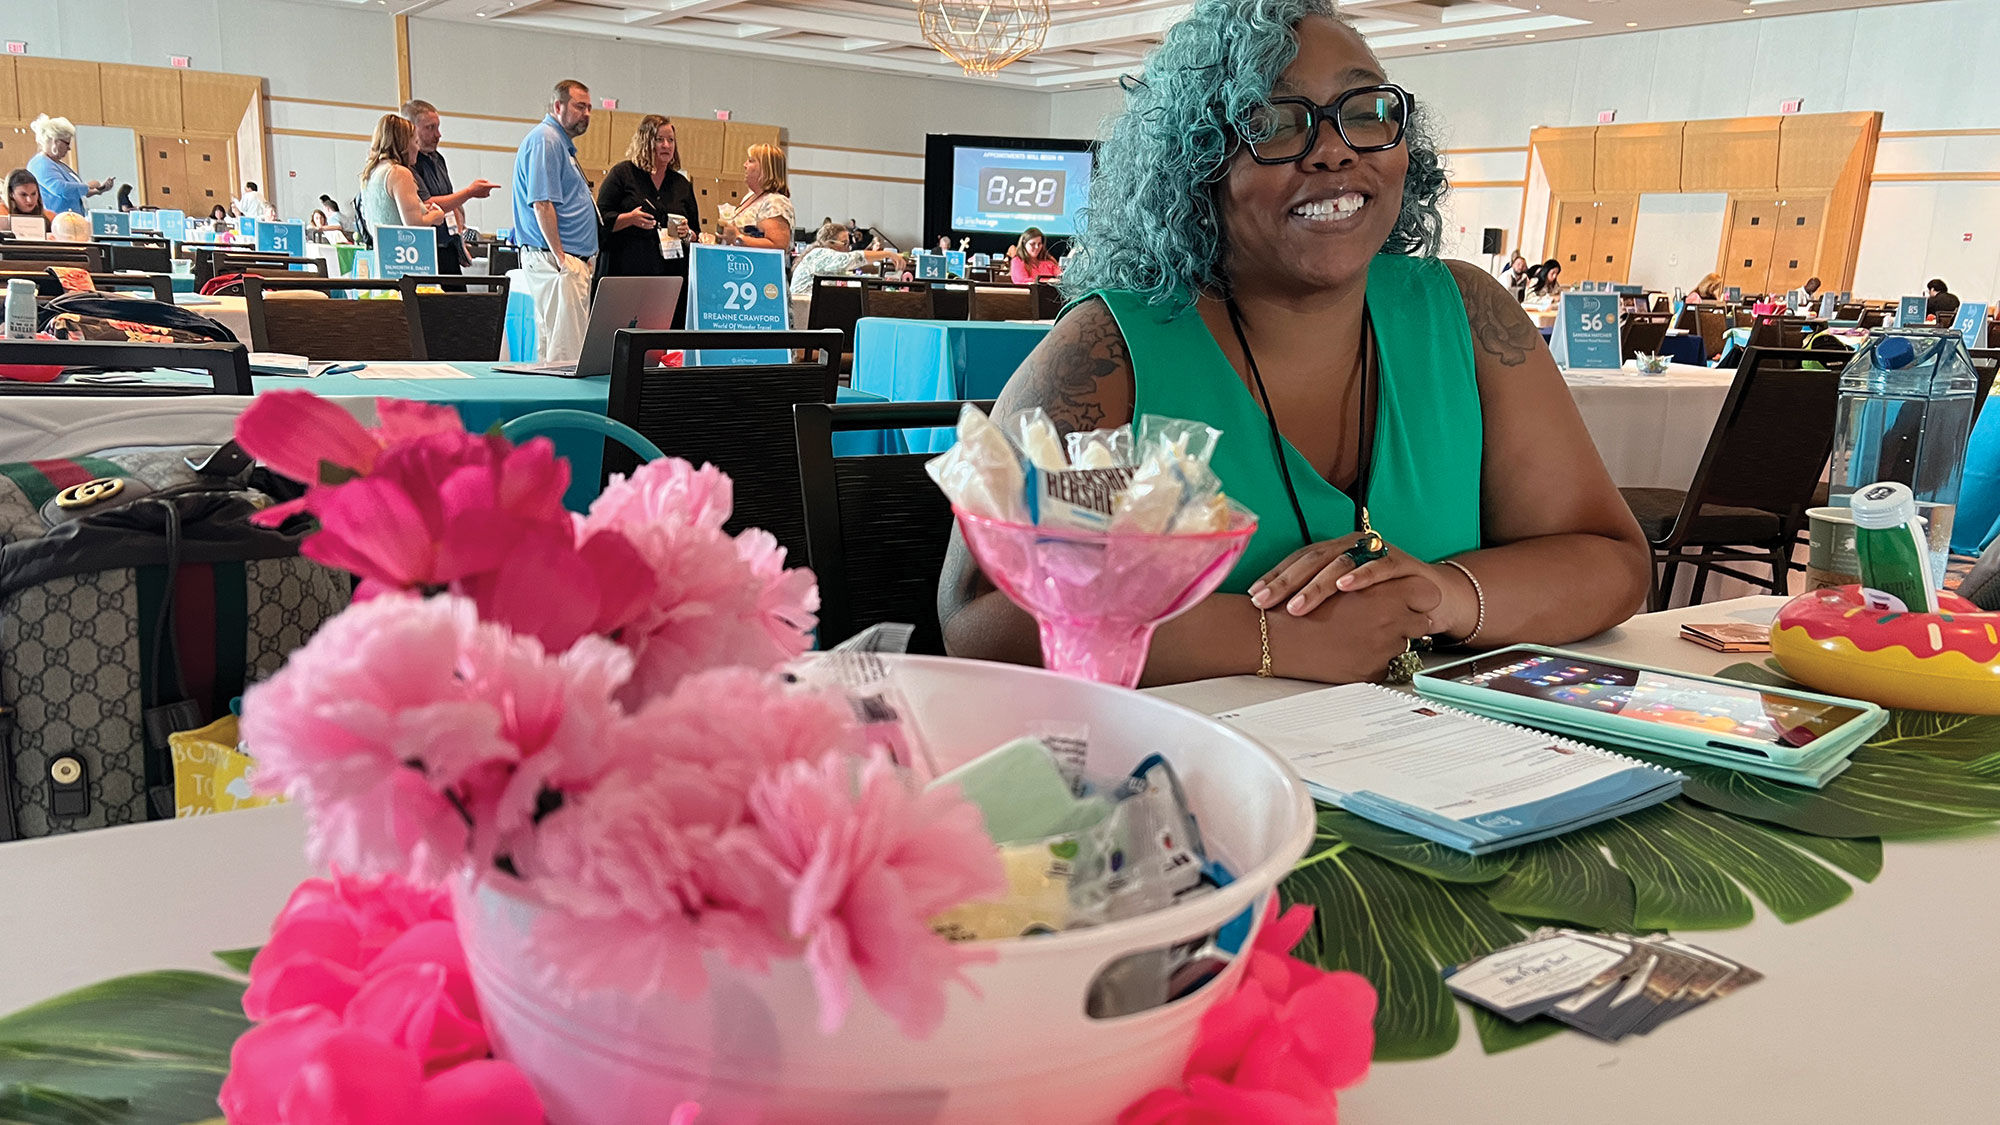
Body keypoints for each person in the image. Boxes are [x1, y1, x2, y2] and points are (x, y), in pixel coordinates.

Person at [939, 0, 1649, 686]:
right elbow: (981, 615)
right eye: (1274, 123)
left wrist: (1437, 594)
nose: (1335, 151)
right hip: (1201, 781)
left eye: (1366, 112)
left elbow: (1611, 559)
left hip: (1445, 768)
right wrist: (1275, 637)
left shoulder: (1464, 315)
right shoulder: (1111, 352)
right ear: (1197, 165)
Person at [512, 78, 599, 364]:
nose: (586, 113)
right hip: (557, 262)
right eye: (579, 106)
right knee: (567, 355)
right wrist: (562, 258)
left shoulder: (560, 143)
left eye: (588, 107)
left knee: (557, 349)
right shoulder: (546, 139)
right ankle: (563, 408)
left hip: (564, 261)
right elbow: (542, 203)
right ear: (558, 105)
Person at [593, 113, 699, 319]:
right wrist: (629, 219)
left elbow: (696, 234)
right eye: (659, 139)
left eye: (671, 140)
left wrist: (687, 234)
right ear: (645, 141)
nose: (666, 145)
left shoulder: (681, 184)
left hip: (669, 278)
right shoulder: (622, 174)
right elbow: (599, 221)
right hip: (626, 274)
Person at [401, 100, 500, 278]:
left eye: (437, 127)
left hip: (448, 245)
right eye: (430, 128)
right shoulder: (408, 166)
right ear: (412, 130)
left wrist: (459, 238)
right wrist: (469, 192)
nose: (438, 135)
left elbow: (450, 201)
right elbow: (427, 204)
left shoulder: (438, 159)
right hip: (425, 250)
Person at [358, 113, 445, 237]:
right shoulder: (399, 173)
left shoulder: (371, 172)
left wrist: (422, 208)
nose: (418, 147)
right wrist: (435, 216)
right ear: (404, 144)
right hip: (403, 250)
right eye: (415, 142)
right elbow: (414, 224)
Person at [789, 221, 904, 297]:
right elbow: (853, 258)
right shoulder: (819, 253)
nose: (848, 249)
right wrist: (888, 254)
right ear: (830, 243)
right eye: (844, 243)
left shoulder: (820, 256)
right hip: (803, 309)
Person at [26, 115, 111, 217]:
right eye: (67, 143)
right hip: (56, 221)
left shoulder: (58, 164)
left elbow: (75, 192)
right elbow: (61, 189)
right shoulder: (40, 164)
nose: (69, 148)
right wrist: (89, 186)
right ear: (55, 141)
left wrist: (99, 190)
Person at [717, 143, 793, 251]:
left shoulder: (776, 202)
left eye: (751, 161)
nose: (745, 165)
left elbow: (778, 246)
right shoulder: (750, 197)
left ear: (766, 168)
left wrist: (737, 238)